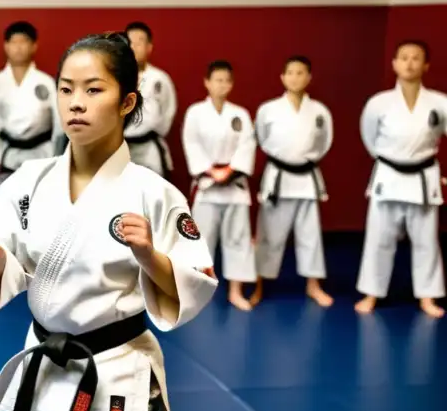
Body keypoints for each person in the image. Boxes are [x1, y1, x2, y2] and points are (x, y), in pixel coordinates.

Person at [0, 32, 217, 411]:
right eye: (65, 89)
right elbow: (2, 261)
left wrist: (152, 256)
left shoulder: (154, 192)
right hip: (47, 365)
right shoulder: (29, 181)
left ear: (127, 101)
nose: (76, 102)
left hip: (116, 372)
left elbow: (199, 279)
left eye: (93, 89)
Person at [355, 40, 445, 319]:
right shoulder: (379, 103)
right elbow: (369, 137)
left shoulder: (440, 102)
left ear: (426, 65)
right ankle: (372, 292)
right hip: (389, 174)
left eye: (416, 58)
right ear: (394, 63)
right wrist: (391, 159)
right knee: (379, 237)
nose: (409, 63)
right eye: (403, 57)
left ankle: (428, 296)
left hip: (423, 177)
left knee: (426, 240)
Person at [253, 56, 334, 307]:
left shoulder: (320, 111)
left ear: (309, 78)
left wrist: (303, 159)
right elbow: (261, 138)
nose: (295, 77)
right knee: (269, 234)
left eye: (301, 73)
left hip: (307, 179)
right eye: (290, 73)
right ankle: (258, 284)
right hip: (278, 177)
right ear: (282, 77)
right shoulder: (268, 109)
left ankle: (313, 285)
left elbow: (324, 143)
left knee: (310, 235)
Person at [181, 60, 257, 311]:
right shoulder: (195, 112)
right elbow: (191, 143)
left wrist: (230, 170)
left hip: (234, 186)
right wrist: (210, 170)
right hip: (207, 185)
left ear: (232, 84)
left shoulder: (241, 114)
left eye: (227, 80)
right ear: (207, 82)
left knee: (238, 239)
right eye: (217, 79)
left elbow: (247, 145)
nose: (222, 84)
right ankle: (200, 292)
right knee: (202, 242)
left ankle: (235, 291)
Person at [0, 21, 63, 200]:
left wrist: (58, 156)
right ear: (6, 46)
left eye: (24, 42)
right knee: (7, 202)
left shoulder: (45, 81)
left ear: (34, 46)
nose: (18, 48)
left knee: (40, 201)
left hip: (42, 152)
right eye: (14, 43)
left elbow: (59, 124)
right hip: (7, 154)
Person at [123, 22, 177, 179]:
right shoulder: (114, 78)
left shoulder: (159, 79)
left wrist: (152, 131)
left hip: (149, 146)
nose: (134, 47)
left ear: (149, 47)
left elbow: (168, 112)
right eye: (130, 42)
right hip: (120, 146)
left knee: (152, 194)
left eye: (139, 42)